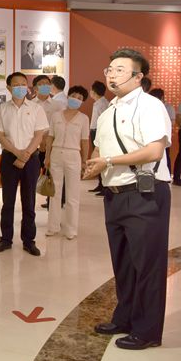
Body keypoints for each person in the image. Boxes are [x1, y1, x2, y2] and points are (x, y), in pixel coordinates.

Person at [84, 49, 172, 350]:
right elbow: (100, 149)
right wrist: (95, 164)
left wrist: (107, 161)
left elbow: (154, 151)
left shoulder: (150, 106)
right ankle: (124, 317)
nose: (112, 74)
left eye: (120, 69)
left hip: (145, 194)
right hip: (115, 194)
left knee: (147, 266)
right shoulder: (107, 112)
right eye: (109, 69)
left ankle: (147, 331)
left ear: (138, 77)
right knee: (123, 263)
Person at [0, 71, 48, 256]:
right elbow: (0, 136)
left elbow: (39, 135)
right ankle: (6, 239)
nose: (20, 87)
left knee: (29, 201)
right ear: (9, 88)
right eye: (16, 85)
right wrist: (17, 153)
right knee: (7, 201)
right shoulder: (2, 109)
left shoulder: (36, 109)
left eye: (23, 84)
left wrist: (26, 155)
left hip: (31, 158)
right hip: (9, 158)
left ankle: (29, 240)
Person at [44, 85, 90, 239]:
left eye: (79, 98)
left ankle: (71, 229)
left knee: (72, 194)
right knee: (54, 193)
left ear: (82, 101)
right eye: (74, 96)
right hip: (56, 154)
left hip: (73, 155)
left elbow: (85, 141)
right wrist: (47, 157)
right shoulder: (56, 116)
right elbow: (50, 137)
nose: (75, 99)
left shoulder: (83, 119)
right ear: (68, 96)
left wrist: (84, 161)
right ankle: (53, 226)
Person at [31, 75, 62, 209]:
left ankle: (53, 202)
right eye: (41, 84)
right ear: (35, 88)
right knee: (32, 175)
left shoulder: (58, 105)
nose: (45, 86)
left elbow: (60, 125)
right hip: (34, 145)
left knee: (52, 174)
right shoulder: (30, 104)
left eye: (47, 83)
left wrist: (47, 141)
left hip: (52, 144)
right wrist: (39, 141)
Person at [88, 81, 109, 195]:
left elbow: (105, 121)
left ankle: (104, 186)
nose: (90, 92)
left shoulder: (103, 104)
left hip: (99, 132)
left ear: (94, 91)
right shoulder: (98, 103)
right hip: (94, 131)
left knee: (101, 157)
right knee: (97, 158)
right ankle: (100, 184)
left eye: (91, 89)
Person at [149, 88, 174, 176]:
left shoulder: (167, 107)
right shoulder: (148, 107)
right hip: (153, 136)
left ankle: (165, 175)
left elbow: (172, 121)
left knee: (163, 155)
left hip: (160, 136)